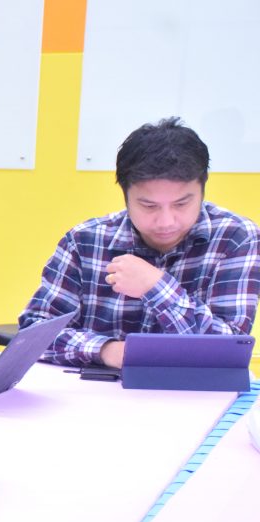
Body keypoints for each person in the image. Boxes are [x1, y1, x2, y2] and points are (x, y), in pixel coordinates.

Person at [20, 117, 260, 368]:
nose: (166, 221)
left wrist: (156, 287)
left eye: (181, 204)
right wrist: (106, 350)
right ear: (125, 195)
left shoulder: (236, 238)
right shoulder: (84, 241)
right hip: (96, 388)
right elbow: (33, 334)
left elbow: (229, 349)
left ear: (202, 189)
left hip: (192, 389)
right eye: (149, 206)